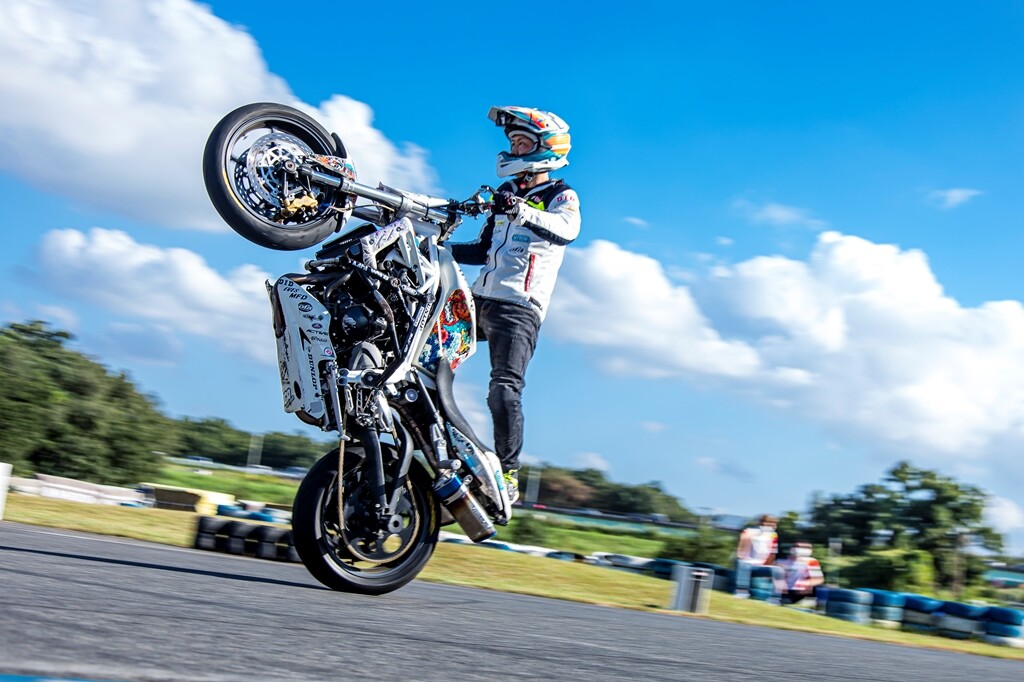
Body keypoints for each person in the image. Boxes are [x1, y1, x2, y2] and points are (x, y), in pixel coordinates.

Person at [450, 106, 580, 504]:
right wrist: (436, 246)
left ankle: (508, 473)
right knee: (424, 348)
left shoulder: (561, 195)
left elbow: (567, 230)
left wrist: (521, 211)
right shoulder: (507, 193)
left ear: (545, 148)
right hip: (479, 299)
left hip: (518, 308)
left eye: (522, 143)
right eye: (513, 143)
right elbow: (482, 249)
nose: (514, 149)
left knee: (503, 392)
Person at [733, 514, 786, 600]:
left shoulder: (773, 535)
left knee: (779, 570)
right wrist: (742, 557)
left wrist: (766, 564)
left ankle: (775, 598)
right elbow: (741, 548)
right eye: (769, 523)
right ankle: (741, 592)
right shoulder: (749, 531)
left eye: (773, 523)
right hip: (747, 563)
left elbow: (772, 553)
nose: (772, 525)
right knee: (743, 564)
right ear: (761, 523)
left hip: (761, 566)